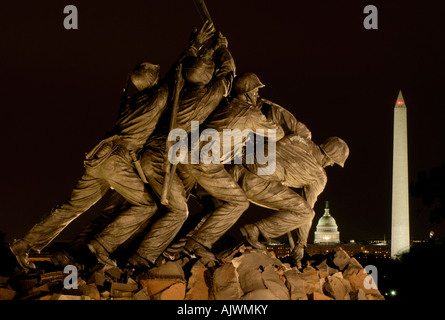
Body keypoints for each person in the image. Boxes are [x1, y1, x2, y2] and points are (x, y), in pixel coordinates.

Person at [8, 22, 215, 270]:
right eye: (156, 76)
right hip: (118, 160)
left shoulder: (128, 103)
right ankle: (102, 245)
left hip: (98, 158)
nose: (160, 78)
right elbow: (177, 74)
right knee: (147, 205)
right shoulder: (156, 98)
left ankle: (24, 245)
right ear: (152, 81)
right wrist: (194, 43)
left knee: (71, 207)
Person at [125, 29, 237, 268]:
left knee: (158, 206)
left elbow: (181, 68)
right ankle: (141, 258)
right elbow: (228, 73)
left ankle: (142, 251)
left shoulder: (177, 88)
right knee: (178, 211)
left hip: (152, 153)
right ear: (208, 78)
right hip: (162, 158)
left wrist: (203, 48)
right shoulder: (210, 95)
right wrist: (224, 48)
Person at [168, 72, 285, 264]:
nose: (257, 95)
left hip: (187, 157)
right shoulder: (250, 113)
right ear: (247, 93)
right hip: (204, 161)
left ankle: (174, 249)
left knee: (217, 205)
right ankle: (197, 244)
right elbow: (278, 133)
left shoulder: (225, 104)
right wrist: (262, 111)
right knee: (239, 203)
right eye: (255, 92)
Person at [237, 134, 349, 267]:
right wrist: (301, 244)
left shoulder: (299, 139)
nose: (331, 165)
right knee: (306, 213)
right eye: (333, 162)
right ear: (328, 157)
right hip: (255, 183)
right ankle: (255, 230)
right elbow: (307, 210)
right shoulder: (319, 176)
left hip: (240, 167)